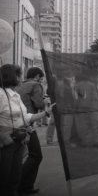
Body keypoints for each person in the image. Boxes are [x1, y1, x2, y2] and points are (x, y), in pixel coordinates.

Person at [0, 64, 53, 196]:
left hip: (20, 138)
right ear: (11, 76)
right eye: (19, 74)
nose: (21, 77)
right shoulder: (1, 95)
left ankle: (20, 188)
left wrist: (47, 113)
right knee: (5, 178)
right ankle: (24, 186)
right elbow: (38, 104)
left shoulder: (16, 95)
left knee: (14, 176)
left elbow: (26, 117)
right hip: (6, 141)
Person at [16, 67, 49, 195]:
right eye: (41, 77)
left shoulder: (22, 85)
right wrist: (45, 101)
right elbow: (39, 104)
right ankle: (21, 185)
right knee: (35, 155)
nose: (41, 79)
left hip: (18, 124)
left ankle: (26, 185)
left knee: (25, 155)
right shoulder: (36, 85)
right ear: (36, 76)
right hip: (28, 124)